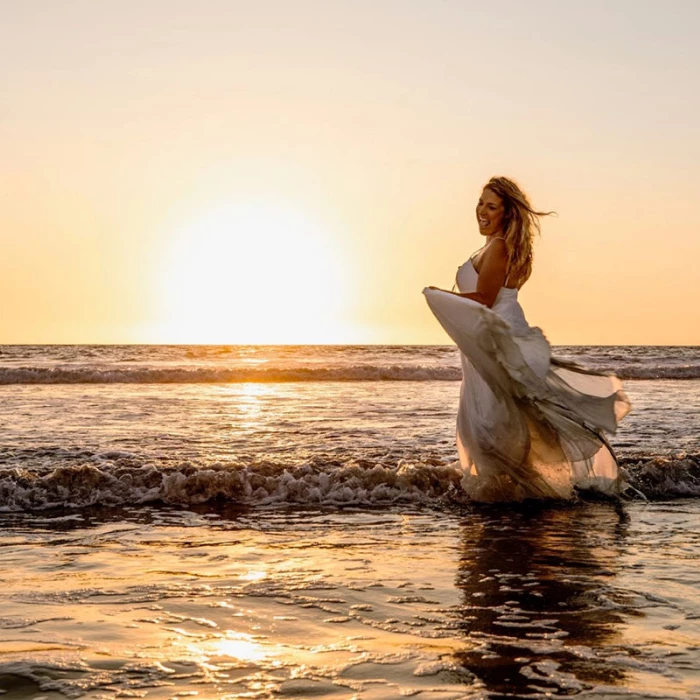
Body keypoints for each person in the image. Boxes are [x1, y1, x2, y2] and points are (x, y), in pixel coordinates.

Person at [423, 176, 631, 502]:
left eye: (491, 206)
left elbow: (485, 300)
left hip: (496, 340)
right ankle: (512, 491)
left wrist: (436, 294)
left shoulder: (499, 247)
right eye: (480, 203)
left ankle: (508, 497)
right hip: (492, 340)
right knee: (501, 417)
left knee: (495, 420)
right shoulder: (500, 246)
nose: (482, 210)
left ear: (507, 213)